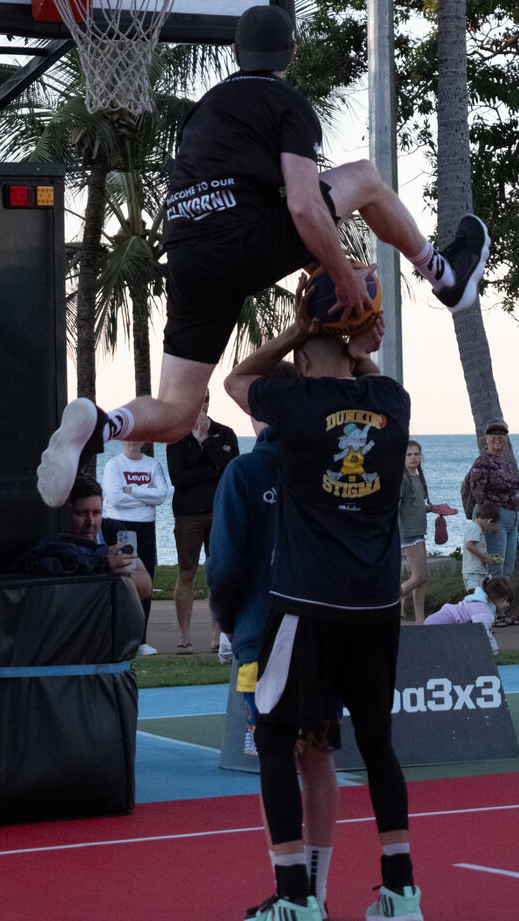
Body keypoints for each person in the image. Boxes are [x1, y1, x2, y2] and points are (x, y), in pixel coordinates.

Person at [37, 3, 490, 509]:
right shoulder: (286, 103)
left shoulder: (204, 108)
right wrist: (340, 275)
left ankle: (104, 424)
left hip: (186, 250)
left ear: (235, 53)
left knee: (179, 411)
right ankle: (443, 273)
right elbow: (301, 203)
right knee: (365, 177)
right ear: (291, 53)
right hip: (241, 236)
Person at [222, 287, 424, 921]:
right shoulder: (394, 402)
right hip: (374, 605)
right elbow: (369, 379)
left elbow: (237, 379)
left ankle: (293, 899)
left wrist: (295, 331)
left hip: (306, 601)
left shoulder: (297, 403)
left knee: (277, 742)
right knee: (377, 743)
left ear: (304, 367)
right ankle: (401, 890)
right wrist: (359, 347)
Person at [208, 356, 342, 917]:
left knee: (272, 754)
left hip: (260, 634)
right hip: (325, 632)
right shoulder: (329, 468)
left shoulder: (244, 472)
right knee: (316, 755)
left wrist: (227, 619)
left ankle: (292, 895)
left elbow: (224, 564)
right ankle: (317, 889)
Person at [165, 391, 239, 654]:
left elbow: (232, 468)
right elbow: (178, 478)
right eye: (197, 400)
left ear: (209, 402)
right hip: (187, 515)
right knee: (187, 572)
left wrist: (206, 440)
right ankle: (184, 638)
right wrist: (214, 466)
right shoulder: (176, 438)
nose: (201, 405)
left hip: (220, 512)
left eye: (205, 400)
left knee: (218, 572)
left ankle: (217, 637)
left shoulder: (225, 433)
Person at [24, 475, 153, 610]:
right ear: (66, 513)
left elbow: (145, 586)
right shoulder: (54, 541)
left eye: (96, 513)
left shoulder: (112, 531)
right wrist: (105, 568)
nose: (90, 522)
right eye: (81, 513)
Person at [101, 438, 168, 654]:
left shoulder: (152, 465)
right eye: (129, 437)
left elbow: (161, 495)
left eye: (137, 436)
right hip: (121, 526)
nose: (133, 441)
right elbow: (115, 498)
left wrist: (131, 490)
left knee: (144, 579)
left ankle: (141, 640)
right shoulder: (114, 465)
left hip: (146, 527)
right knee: (122, 579)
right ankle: (117, 638)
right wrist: (144, 493)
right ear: (122, 440)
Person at [398, 441, 456, 625]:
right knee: (419, 576)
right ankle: (387, 600)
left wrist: (433, 508)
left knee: (422, 579)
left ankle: (419, 619)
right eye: (409, 455)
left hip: (418, 531)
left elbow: (414, 506)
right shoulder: (402, 479)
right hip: (408, 533)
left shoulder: (417, 478)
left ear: (421, 457)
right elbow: (395, 505)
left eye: (416, 454)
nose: (414, 457)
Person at [464, 422, 519, 601]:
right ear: (486, 438)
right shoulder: (482, 462)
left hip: (512, 518)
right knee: (495, 567)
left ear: (506, 437)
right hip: (495, 519)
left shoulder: (507, 461)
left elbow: (516, 489)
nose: (497, 437)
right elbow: (478, 493)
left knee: (507, 568)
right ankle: (491, 611)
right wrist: (491, 519)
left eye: (502, 433)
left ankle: (501, 610)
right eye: (493, 434)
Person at [423, 578, 514, 657]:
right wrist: (494, 653)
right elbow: (483, 635)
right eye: (506, 600)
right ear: (496, 597)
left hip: (437, 620)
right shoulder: (483, 611)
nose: (508, 604)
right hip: (441, 623)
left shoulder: (479, 603)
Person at [461, 503, 500, 593]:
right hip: (473, 573)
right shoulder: (475, 528)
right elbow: (469, 545)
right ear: (489, 521)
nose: (490, 530)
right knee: (476, 598)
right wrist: (484, 557)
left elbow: (476, 547)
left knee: (481, 597)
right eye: (492, 526)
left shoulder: (476, 527)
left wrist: (487, 556)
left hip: (478, 572)